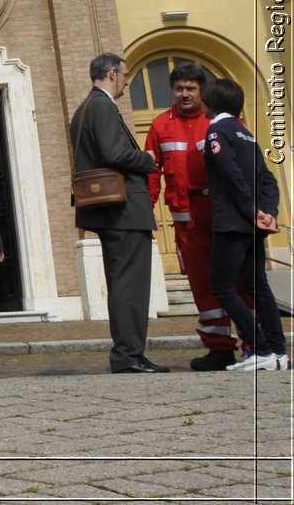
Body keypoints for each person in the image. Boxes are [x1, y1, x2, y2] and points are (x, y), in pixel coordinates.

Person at [70, 52, 166, 374]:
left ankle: (129, 352)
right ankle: (128, 354)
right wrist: (147, 159)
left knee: (122, 281)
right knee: (130, 283)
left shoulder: (85, 109)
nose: (126, 81)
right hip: (124, 210)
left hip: (111, 211)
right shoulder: (101, 106)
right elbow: (114, 153)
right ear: (112, 73)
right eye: (125, 75)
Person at [144, 62, 242, 371]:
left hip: (224, 214)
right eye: (178, 88)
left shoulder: (220, 121)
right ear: (171, 90)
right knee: (203, 284)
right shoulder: (160, 125)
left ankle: (257, 343)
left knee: (240, 280)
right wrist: (147, 210)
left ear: (202, 91)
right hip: (188, 222)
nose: (184, 94)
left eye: (191, 88)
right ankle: (219, 348)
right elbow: (151, 174)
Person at [201, 78, 288, 371]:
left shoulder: (217, 130)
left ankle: (261, 347)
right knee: (258, 286)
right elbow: (268, 179)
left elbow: (230, 174)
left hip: (232, 222)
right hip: (253, 223)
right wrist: (269, 212)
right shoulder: (246, 133)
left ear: (211, 102)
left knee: (223, 286)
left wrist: (252, 210)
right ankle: (279, 352)